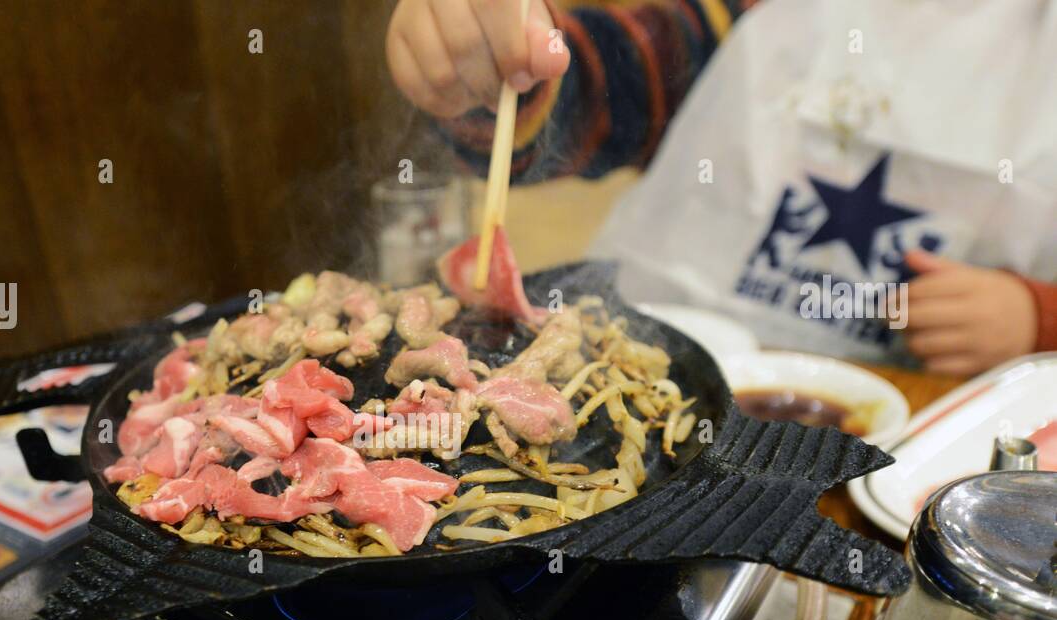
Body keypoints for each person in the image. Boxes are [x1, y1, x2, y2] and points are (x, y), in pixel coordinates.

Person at [386, 0, 1057, 374]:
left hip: (920, 458)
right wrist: (495, 59)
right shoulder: (756, 14)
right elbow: (607, 81)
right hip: (668, 396)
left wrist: (1036, 317)